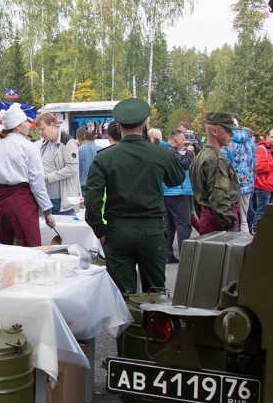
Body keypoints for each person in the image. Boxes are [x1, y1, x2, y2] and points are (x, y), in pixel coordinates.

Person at [83, 98, 184, 295]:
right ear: (144, 126)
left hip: (118, 230)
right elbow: (176, 179)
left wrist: (100, 230)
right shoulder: (159, 154)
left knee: (122, 296)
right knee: (155, 294)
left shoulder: (105, 157)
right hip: (151, 230)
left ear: (118, 127)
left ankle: (127, 326)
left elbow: (92, 201)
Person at [0, 103, 56, 247]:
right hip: (23, 202)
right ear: (17, 126)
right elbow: (37, 183)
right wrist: (47, 211)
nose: (29, 125)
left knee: (7, 246)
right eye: (25, 122)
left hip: (2, 203)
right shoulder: (29, 147)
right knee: (30, 247)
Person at [190, 112, 241, 235]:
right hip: (220, 224)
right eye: (228, 130)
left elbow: (197, 197)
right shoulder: (216, 159)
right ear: (214, 131)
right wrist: (232, 226)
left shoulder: (200, 156)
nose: (232, 134)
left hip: (209, 218)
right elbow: (219, 199)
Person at [36, 112, 81, 216]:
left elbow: (73, 167)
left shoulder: (68, 142)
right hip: (46, 199)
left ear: (52, 125)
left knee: (65, 231)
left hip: (62, 200)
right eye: (39, 130)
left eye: (43, 129)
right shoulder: (44, 143)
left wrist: (48, 177)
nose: (40, 132)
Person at [162, 129, 195, 262]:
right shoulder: (171, 151)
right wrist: (190, 152)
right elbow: (184, 164)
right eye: (182, 139)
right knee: (183, 225)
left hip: (166, 192)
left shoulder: (163, 150)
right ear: (175, 140)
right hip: (178, 192)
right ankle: (186, 257)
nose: (184, 141)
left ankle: (167, 254)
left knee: (168, 225)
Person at [222, 125, 255, 233]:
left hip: (232, 184)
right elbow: (255, 163)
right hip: (247, 183)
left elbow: (224, 163)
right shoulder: (250, 142)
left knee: (232, 216)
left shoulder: (228, 142)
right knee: (244, 219)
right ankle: (246, 244)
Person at [249, 128, 273, 234]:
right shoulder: (262, 149)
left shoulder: (272, 151)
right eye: (272, 137)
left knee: (268, 212)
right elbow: (259, 167)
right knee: (261, 211)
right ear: (267, 137)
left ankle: (265, 233)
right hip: (263, 185)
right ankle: (257, 233)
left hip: (271, 185)